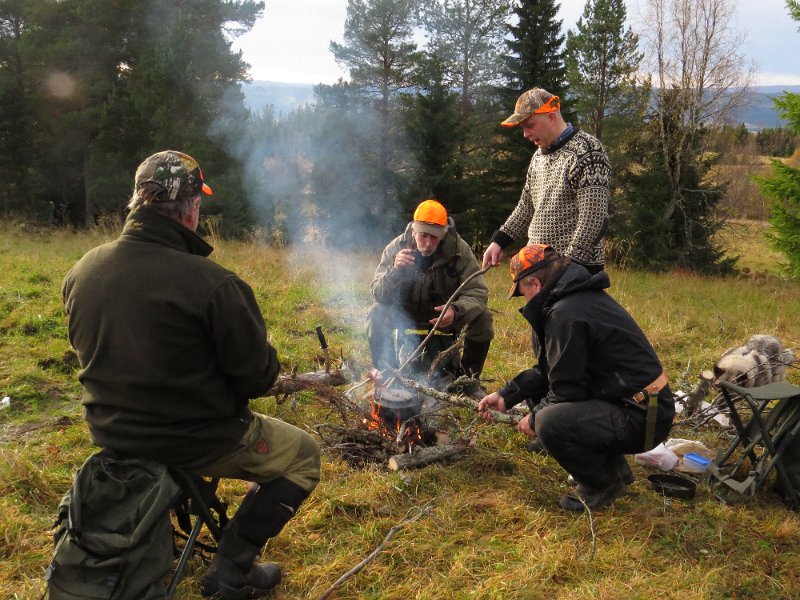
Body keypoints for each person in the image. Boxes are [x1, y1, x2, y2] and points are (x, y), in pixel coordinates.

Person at [62, 150, 320, 599]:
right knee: (303, 455)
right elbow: (257, 380)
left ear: (137, 201)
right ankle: (232, 569)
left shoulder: (83, 270)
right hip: (194, 438)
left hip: (111, 432)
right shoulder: (213, 284)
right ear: (191, 209)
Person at [477, 244, 675, 511]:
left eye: (522, 292)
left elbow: (567, 390)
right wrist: (506, 395)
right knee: (539, 396)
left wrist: (534, 419)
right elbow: (552, 371)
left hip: (643, 414)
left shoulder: (567, 313)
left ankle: (602, 483)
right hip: (629, 402)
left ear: (534, 283)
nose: (524, 300)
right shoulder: (569, 300)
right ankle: (616, 471)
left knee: (550, 421)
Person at [482, 88, 611, 274]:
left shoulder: (588, 151)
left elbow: (592, 219)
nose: (525, 134)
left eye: (530, 125)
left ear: (551, 117)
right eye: (522, 128)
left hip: (576, 273)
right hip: (540, 268)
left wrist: (567, 266)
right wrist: (499, 241)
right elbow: (526, 206)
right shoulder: (538, 157)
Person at [366, 199, 493, 381]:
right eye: (423, 236)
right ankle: (387, 375)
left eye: (434, 237)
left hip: (443, 316)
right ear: (413, 231)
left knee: (483, 319)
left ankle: (467, 381)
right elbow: (378, 294)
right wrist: (394, 271)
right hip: (405, 315)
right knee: (376, 312)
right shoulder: (396, 248)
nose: (427, 243)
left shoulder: (458, 250)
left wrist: (456, 310)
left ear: (444, 233)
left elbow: (478, 292)